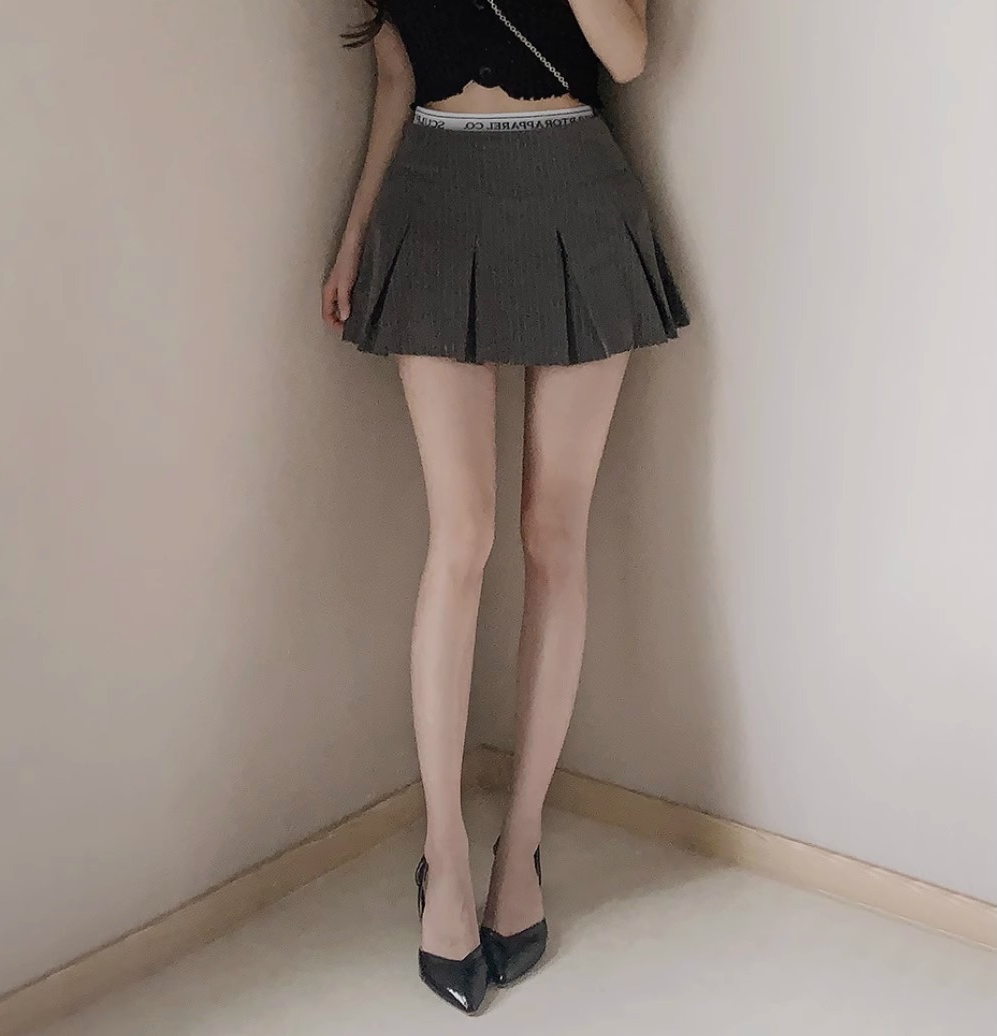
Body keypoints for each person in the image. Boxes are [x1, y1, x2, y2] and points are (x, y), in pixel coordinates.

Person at [323, 0, 687, 1014]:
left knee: (552, 534)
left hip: (575, 189)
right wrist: (352, 239)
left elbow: (629, 55)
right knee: (462, 536)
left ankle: (519, 842)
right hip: (432, 193)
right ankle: (442, 852)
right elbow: (395, 78)